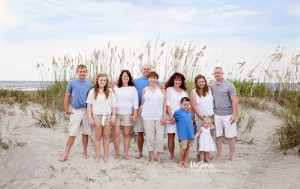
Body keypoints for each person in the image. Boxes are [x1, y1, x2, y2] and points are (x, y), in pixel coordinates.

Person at [58, 64, 92, 162]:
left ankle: (84, 152)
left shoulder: (89, 84)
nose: (82, 73)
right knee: (72, 133)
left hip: (86, 111)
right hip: (75, 111)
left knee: (85, 133)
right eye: (80, 71)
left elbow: (92, 98)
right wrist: (66, 109)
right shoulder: (72, 83)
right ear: (77, 72)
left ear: (86, 72)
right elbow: (67, 96)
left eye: (84, 71)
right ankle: (65, 154)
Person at [86, 73, 116, 163]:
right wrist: (90, 118)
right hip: (97, 117)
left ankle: (106, 156)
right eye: (101, 80)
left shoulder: (110, 91)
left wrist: (113, 116)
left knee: (106, 137)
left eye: (104, 80)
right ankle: (97, 156)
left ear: (106, 81)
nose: (102, 81)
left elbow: (114, 105)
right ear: (97, 81)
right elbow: (89, 105)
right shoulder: (92, 91)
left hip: (107, 116)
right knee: (98, 137)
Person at [211, 66, 238, 161]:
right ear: (213, 74)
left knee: (230, 136)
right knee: (218, 135)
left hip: (228, 114)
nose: (217, 74)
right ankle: (219, 155)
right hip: (217, 114)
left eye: (219, 72)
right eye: (215, 73)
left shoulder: (229, 85)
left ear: (222, 73)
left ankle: (231, 155)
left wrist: (234, 115)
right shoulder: (212, 86)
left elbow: (235, 100)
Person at [139, 71, 166, 164]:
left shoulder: (162, 90)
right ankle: (151, 157)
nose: (153, 79)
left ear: (157, 79)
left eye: (155, 78)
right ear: (149, 79)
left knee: (159, 138)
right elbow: (142, 104)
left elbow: (164, 105)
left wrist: (164, 117)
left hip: (159, 117)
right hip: (147, 116)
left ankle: (158, 157)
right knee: (150, 137)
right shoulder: (145, 90)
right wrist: (136, 115)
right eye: (151, 78)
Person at [113, 70, 139, 160]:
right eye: (124, 76)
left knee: (126, 134)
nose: (126, 77)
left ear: (129, 78)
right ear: (121, 77)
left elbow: (135, 103)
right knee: (116, 134)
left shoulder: (133, 88)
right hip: (116, 113)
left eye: (127, 76)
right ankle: (116, 153)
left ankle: (126, 154)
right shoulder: (115, 87)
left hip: (127, 113)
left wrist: (135, 114)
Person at [190, 74, 214, 161]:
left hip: (210, 117)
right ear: (196, 83)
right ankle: (198, 155)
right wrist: (202, 117)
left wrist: (208, 119)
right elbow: (193, 106)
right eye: (199, 82)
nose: (201, 83)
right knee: (200, 136)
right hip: (200, 117)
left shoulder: (210, 90)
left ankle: (206, 155)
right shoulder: (193, 92)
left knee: (208, 136)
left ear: (205, 82)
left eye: (203, 81)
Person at [165, 72, 188, 160]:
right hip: (172, 115)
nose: (178, 81)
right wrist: (171, 116)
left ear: (182, 81)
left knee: (182, 136)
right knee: (171, 136)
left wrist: (188, 116)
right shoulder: (169, 90)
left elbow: (187, 104)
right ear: (173, 80)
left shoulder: (184, 91)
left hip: (182, 116)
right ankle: (172, 155)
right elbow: (167, 105)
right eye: (176, 80)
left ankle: (182, 155)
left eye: (179, 80)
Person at [133, 64, 152, 159]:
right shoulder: (135, 81)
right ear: (141, 70)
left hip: (151, 111)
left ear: (151, 70)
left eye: (148, 69)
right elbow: (124, 84)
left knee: (150, 133)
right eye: (144, 69)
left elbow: (164, 87)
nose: (146, 70)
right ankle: (140, 151)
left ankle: (150, 152)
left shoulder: (155, 81)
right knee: (140, 132)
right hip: (139, 110)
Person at [173, 97, 194, 168]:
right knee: (183, 148)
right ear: (180, 104)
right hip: (183, 134)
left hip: (190, 133)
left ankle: (185, 161)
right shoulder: (177, 113)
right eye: (184, 105)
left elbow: (190, 121)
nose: (186, 106)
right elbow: (172, 120)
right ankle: (180, 161)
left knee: (188, 148)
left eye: (187, 105)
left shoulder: (189, 112)